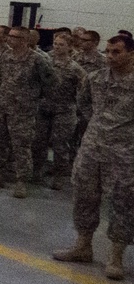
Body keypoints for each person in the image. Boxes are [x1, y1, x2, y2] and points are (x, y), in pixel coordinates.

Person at [53, 35, 134, 281]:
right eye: (108, 51)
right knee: (84, 196)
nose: (110, 56)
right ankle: (83, 246)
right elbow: (84, 104)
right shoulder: (96, 78)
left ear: (131, 54)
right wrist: (98, 127)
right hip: (92, 148)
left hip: (125, 153)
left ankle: (116, 255)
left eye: (116, 52)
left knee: (123, 202)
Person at [0, 26, 55, 198]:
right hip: (3, 106)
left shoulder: (37, 60)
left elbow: (52, 83)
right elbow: (0, 77)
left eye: (14, 37)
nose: (10, 39)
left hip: (23, 111)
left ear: (25, 40)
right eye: (9, 36)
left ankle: (21, 181)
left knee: (21, 146)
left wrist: (36, 99)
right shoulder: (6, 56)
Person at [33, 32, 86, 189]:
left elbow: (84, 90)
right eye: (55, 44)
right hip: (44, 107)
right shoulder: (45, 62)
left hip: (64, 111)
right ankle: (36, 172)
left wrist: (78, 107)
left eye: (61, 44)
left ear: (70, 47)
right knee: (38, 141)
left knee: (60, 145)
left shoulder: (75, 68)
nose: (57, 47)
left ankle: (59, 176)